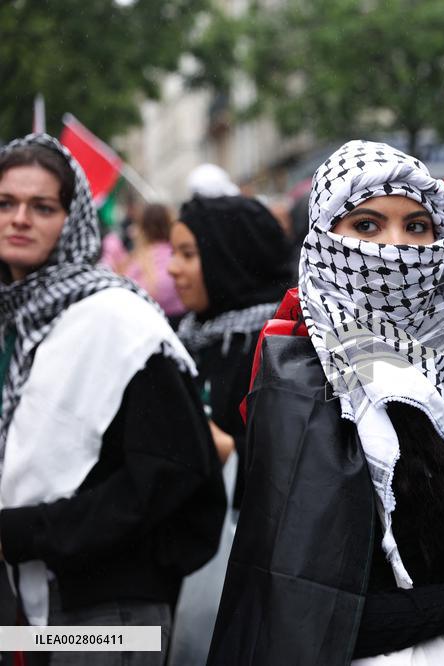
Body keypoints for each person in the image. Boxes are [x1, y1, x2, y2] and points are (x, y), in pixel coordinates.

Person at [209, 140, 444, 665]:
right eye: (366, 226)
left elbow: (420, 552)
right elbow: (309, 612)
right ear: (324, 239)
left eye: (417, 227)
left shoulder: (435, 372)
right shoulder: (309, 382)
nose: (397, 247)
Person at [0, 133, 226, 664]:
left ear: (73, 219)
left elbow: (170, 473)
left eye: (43, 207)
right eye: (5, 203)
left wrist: (27, 532)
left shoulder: (118, 320)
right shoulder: (12, 320)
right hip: (21, 609)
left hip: (109, 613)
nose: (19, 219)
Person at [169, 194, 294, 504]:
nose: (172, 268)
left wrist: (228, 448)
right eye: (174, 252)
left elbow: (296, 464)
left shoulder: (284, 346)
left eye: (188, 254)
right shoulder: (188, 337)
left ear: (228, 260)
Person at [124, 203, 186, 326]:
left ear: (143, 228)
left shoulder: (139, 259)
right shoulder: (180, 253)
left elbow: (128, 294)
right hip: (182, 320)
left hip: (150, 323)